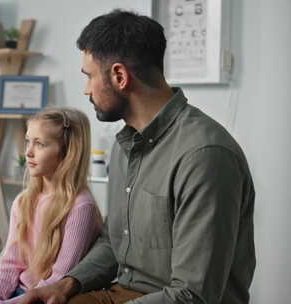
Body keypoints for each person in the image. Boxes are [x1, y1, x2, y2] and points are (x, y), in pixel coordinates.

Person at [20, 9, 255, 304]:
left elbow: (193, 295)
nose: (86, 90)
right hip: (125, 293)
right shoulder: (125, 146)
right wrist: (67, 284)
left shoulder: (205, 156)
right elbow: (114, 241)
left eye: (89, 76)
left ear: (119, 76)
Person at [0, 107, 103, 304]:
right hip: (21, 293)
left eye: (40, 144)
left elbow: (59, 279)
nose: (28, 152)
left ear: (68, 151)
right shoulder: (23, 201)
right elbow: (10, 264)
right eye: (28, 141)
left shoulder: (81, 207)